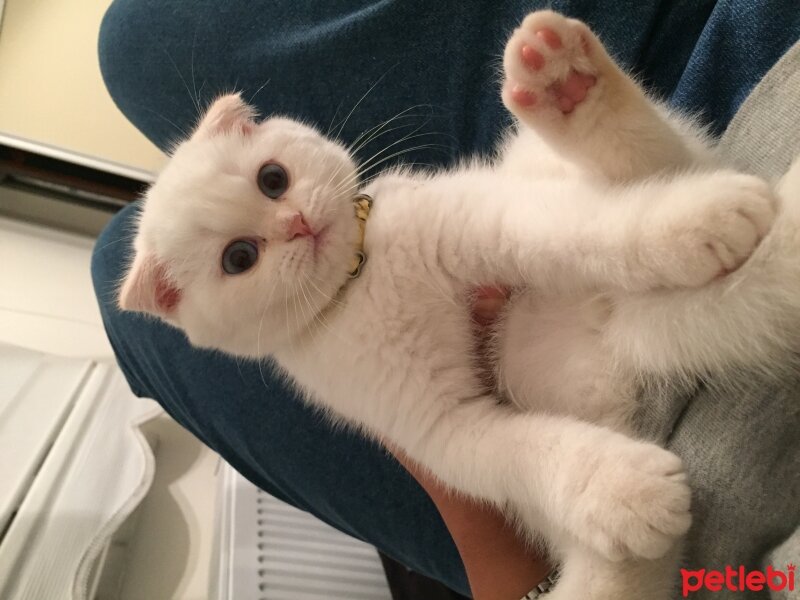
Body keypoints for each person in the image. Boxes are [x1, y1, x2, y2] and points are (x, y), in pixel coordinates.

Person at [92, 2, 800, 598]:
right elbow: (459, 438)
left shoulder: (384, 204)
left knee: (533, 180)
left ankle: (615, 150)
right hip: (580, 381)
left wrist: (643, 241)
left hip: (592, 260)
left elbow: (522, 230)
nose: (294, 222)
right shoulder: (319, 358)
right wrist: (576, 473)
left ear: (256, 129)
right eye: (242, 258)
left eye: (273, 178)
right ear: (177, 303)